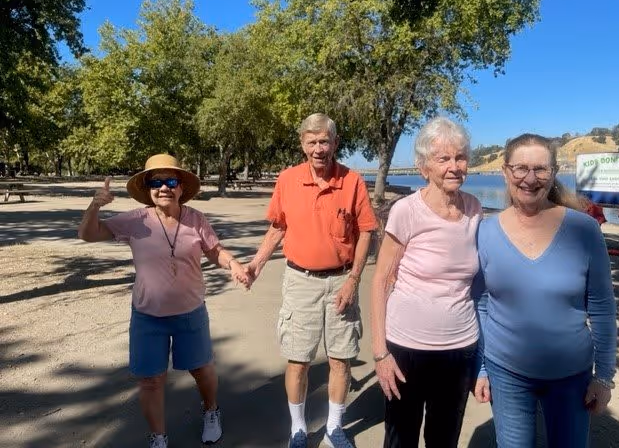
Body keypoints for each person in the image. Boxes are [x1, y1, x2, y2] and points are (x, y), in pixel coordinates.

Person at [78, 154, 249, 448]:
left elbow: (214, 251)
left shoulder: (195, 219)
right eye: (156, 182)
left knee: (201, 368)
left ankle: (211, 411)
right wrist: (95, 205)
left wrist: (233, 264)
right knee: (150, 380)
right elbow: (88, 234)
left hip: (190, 312)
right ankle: (158, 436)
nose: (164, 187)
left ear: (181, 187)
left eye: (171, 181)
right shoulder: (135, 221)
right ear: (148, 188)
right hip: (147, 316)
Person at [473, 134, 618, 448]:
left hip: (571, 375)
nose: (529, 178)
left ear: (554, 172)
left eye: (540, 169)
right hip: (505, 371)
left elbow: (603, 308)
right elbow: (482, 303)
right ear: (505, 171)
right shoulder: (485, 231)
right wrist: (481, 367)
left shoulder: (584, 230)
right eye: (520, 168)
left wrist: (604, 376)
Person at [244, 113, 377, 448]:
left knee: (340, 358)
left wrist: (354, 280)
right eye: (312, 141)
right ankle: (298, 429)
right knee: (298, 359)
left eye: (325, 141)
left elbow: (365, 234)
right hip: (300, 281)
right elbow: (278, 226)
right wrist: (257, 263)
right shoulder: (288, 180)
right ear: (302, 143)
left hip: (341, 281)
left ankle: (335, 428)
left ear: (335, 142)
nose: (319, 148)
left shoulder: (353, 180)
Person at [370, 117, 483, 448]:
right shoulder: (407, 211)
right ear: (423, 167)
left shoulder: (475, 209)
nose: (454, 166)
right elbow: (380, 280)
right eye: (443, 158)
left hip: (460, 348)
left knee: (444, 439)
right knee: (400, 438)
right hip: (407, 347)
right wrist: (380, 354)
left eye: (460, 157)